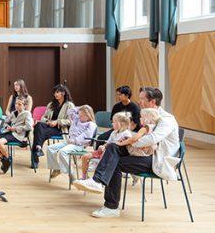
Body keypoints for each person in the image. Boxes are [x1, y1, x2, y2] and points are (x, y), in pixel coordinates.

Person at [73, 87, 181, 219]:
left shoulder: (167, 119)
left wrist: (129, 141)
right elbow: (141, 136)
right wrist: (127, 140)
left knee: (115, 162)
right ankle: (97, 181)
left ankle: (111, 207)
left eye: (142, 99)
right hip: (144, 153)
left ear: (152, 102)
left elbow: (153, 139)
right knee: (112, 147)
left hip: (156, 160)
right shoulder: (149, 115)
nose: (139, 102)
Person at [77, 111, 135, 181]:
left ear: (121, 124)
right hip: (105, 151)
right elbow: (108, 143)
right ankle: (84, 177)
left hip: (115, 155)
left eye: (114, 122)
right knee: (85, 156)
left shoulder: (126, 133)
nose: (112, 123)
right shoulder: (114, 132)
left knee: (102, 158)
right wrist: (103, 146)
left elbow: (126, 146)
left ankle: (96, 179)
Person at [45, 104, 97, 181]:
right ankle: (56, 168)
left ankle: (71, 173)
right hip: (69, 142)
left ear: (88, 116)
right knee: (50, 148)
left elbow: (86, 136)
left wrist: (74, 141)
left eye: (82, 116)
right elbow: (70, 111)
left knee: (63, 152)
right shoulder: (77, 119)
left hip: (78, 145)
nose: (80, 117)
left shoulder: (91, 124)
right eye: (80, 115)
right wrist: (80, 108)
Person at [32, 84, 74, 165]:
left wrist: (57, 122)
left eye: (57, 92)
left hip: (60, 129)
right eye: (54, 92)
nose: (55, 94)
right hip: (49, 126)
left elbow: (71, 121)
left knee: (39, 133)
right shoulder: (51, 104)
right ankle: (38, 148)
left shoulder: (69, 105)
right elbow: (43, 117)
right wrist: (48, 121)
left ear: (63, 93)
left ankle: (36, 152)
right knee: (38, 125)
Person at [0, 94, 33, 173]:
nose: (17, 106)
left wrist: (15, 128)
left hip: (17, 135)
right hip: (9, 132)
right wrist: (7, 126)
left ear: (25, 106)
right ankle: (6, 160)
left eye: (20, 104)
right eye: (16, 103)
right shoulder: (13, 113)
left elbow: (29, 127)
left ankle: (6, 160)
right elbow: (5, 122)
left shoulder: (27, 114)